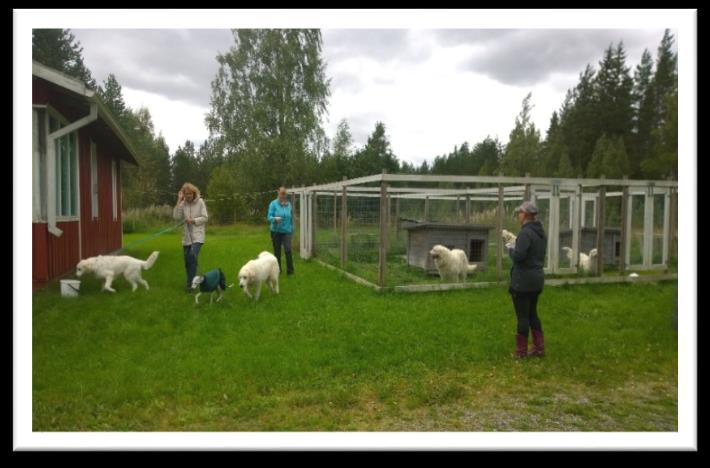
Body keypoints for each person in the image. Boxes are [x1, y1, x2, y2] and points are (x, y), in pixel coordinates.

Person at [505, 200, 547, 358]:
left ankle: (521, 352)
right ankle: (539, 348)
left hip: (523, 281)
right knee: (532, 314)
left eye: (520, 213)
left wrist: (510, 249)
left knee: (522, 317)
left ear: (527, 215)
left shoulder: (525, 233)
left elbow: (519, 257)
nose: (518, 215)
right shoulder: (540, 232)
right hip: (537, 279)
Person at [173, 182, 208, 291]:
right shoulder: (183, 204)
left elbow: (205, 217)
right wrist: (179, 200)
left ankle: (190, 286)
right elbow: (176, 217)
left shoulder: (200, 202)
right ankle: (191, 282)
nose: (188, 196)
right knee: (187, 262)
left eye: (190, 194)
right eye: (186, 194)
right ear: (183, 194)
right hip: (186, 237)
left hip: (198, 236)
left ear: (194, 193)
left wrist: (193, 221)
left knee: (192, 256)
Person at [267, 186, 294, 275]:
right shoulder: (273, 204)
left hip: (287, 231)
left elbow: (291, 218)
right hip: (276, 231)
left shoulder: (289, 204)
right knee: (277, 251)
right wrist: (275, 219)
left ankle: (290, 272)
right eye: (282, 193)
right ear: (278, 192)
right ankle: (278, 271)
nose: (283, 195)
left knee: (288, 250)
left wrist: (291, 229)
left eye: (285, 194)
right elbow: (269, 217)